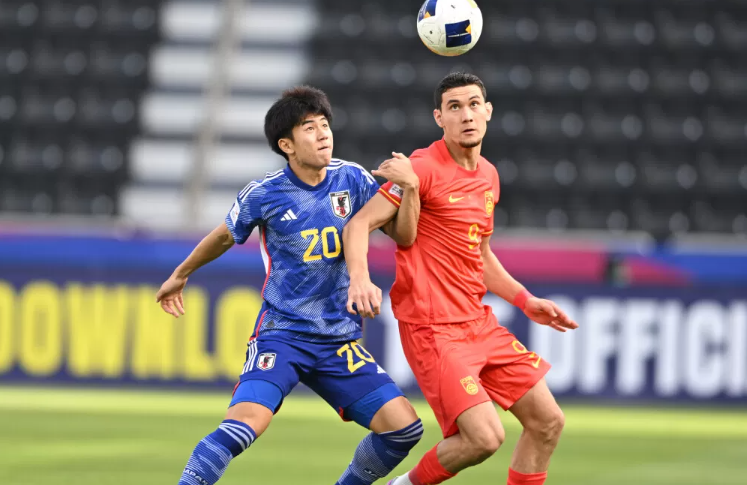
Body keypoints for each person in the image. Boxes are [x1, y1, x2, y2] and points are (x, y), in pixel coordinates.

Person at [156, 86, 424, 485]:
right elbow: (225, 235)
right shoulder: (264, 193)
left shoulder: (352, 179)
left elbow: (402, 235)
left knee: (404, 429)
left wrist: (411, 189)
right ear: (287, 145)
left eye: (325, 124)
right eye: (309, 128)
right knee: (244, 425)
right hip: (282, 335)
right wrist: (181, 273)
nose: (323, 134)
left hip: (338, 340)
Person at [342, 72, 579, 485]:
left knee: (547, 422)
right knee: (484, 438)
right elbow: (358, 225)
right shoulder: (421, 168)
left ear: (488, 112)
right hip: (434, 330)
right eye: (455, 107)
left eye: (473, 105)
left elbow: (480, 252)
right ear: (439, 118)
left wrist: (526, 300)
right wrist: (359, 280)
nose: (466, 115)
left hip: (478, 322)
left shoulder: (488, 175)